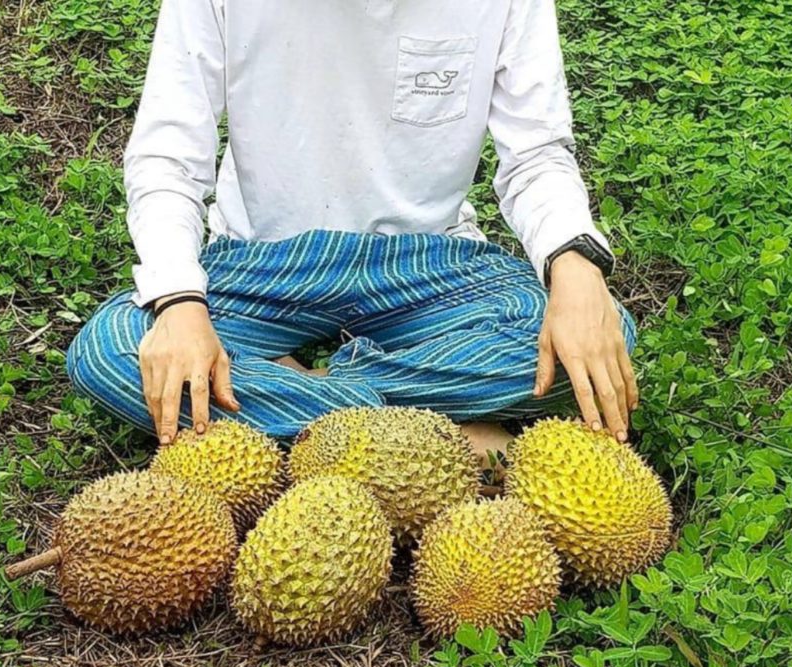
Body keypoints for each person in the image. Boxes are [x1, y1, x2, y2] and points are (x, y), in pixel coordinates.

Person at [66, 0, 638, 459]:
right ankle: (438, 430)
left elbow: (536, 154)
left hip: (430, 261)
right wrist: (181, 304)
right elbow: (168, 156)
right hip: (262, 262)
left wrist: (577, 268)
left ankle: (296, 397)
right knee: (111, 349)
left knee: (601, 334)